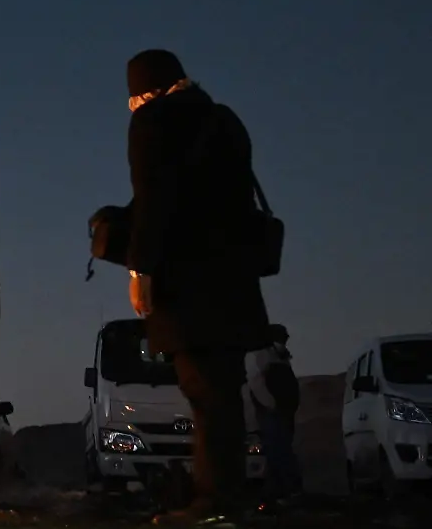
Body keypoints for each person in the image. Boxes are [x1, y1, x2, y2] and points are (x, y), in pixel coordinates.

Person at [123, 49, 270, 521]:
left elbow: (153, 200)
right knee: (223, 391)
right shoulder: (223, 119)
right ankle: (226, 492)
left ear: (143, 90)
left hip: (187, 279)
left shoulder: (152, 122)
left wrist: (138, 269)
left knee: (204, 393)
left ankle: (213, 500)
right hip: (234, 278)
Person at [244, 324, 303, 502]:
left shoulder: (280, 357)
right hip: (272, 412)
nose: (285, 340)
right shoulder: (260, 356)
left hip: (284, 411)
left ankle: (278, 492)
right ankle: (290, 489)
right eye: (282, 337)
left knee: (279, 449)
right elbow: (256, 383)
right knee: (279, 449)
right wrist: (271, 404)